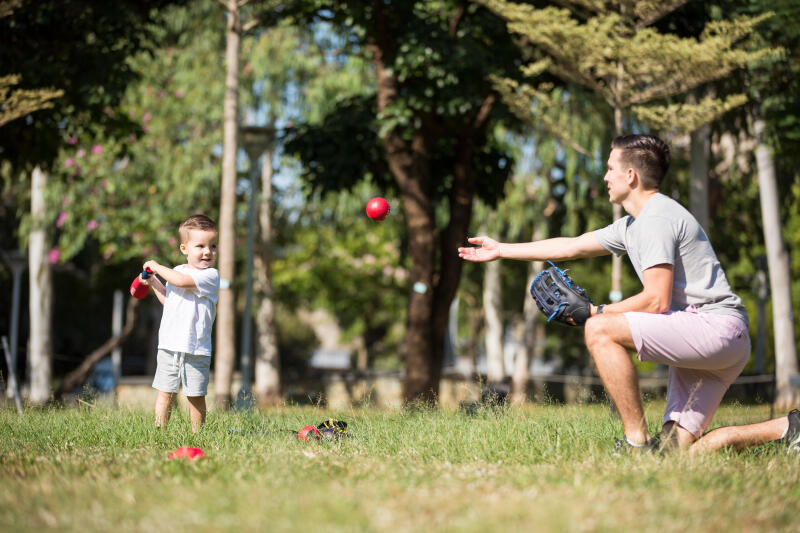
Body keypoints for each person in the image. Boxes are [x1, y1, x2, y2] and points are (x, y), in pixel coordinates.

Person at [459, 134, 797, 453]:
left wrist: (598, 313)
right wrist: (501, 249)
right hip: (714, 336)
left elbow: (656, 300)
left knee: (599, 330)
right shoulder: (633, 224)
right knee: (675, 453)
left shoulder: (656, 219)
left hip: (713, 329)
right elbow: (571, 246)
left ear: (630, 175)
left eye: (610, 168)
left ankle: (636, 443)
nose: (606, 176)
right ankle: (789, 427)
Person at [139, 214, 220, 432]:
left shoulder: (210, 275)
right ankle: (160, 431)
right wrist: (153, 281)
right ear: (184, 248)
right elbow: (170, 300)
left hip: (196, 347)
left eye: (213, 246)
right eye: (200, 245)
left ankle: (198, 434)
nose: (207, 251)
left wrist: (155, 266)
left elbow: (182, 282)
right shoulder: (177, 270)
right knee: (166, 392)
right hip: (169, 344)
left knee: (195, 395)